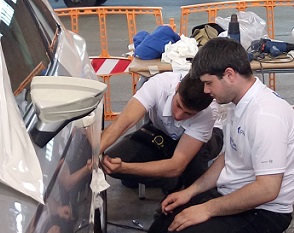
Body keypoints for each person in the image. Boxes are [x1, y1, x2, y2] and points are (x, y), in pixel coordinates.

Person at [148, 37, 294, 233]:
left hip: (264, 212)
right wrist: (190, 192)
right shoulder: (238, 103)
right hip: (232, 195)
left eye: (209, 83)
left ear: (229, 74)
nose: (206, 90)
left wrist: (207, 209)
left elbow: (267, 189)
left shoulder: (265, 115)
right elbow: (229, 158)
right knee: (163, 222)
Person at [100, 70, 224, 192]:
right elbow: (121, 124)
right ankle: (172, 182)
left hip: (205, 140)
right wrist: (95, 152)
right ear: (177, 87)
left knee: (191, 184)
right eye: (178, 105)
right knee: (111, 160)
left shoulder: (208, 112)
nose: (179, 115)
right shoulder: (159, 84)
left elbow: (177, 165)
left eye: (189, 114)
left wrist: (125, 168)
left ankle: (181, 185)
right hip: (162, 132)